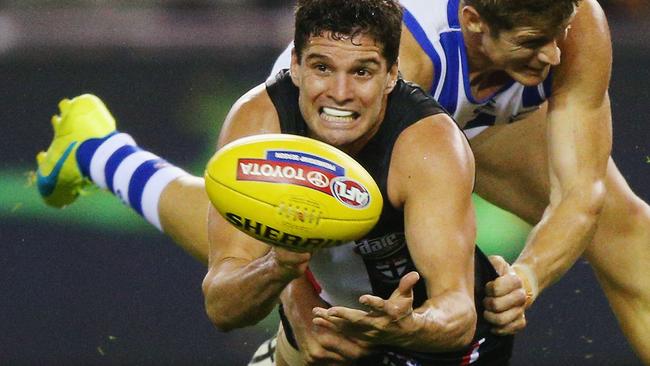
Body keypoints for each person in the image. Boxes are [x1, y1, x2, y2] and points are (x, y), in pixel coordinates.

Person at [35, 0, 650, 363]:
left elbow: (583, 194)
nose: (552, 56)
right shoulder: (387, 69)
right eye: (532, 42)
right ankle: (97, 149)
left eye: (558, 36)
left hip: (471, 124)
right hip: (340, 122)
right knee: (258, 240)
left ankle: (98, 149)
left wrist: (529, 279)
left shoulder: (571, 26)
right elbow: (296, 221)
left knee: (630, 232)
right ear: (472, 22)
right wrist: (296, 305)